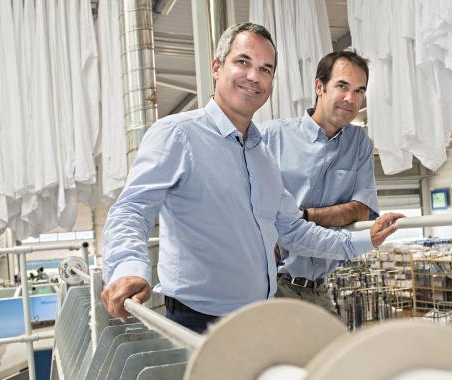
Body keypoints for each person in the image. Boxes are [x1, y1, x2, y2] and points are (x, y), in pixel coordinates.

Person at [100, 22, 404, 333]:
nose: (253, 76)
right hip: (197, 322)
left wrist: (365, 240)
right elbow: (132, 209)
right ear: (217, 67)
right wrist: (128, 267)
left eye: (265, 69)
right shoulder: (178, 134)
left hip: (256, 316)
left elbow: (293, 229)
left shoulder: (262, 157)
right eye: (243, 62)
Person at [259, 50, 377, 314]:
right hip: (272, 284)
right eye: (342, 86)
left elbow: (361, 209)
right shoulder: (271, 136)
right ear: (319, 86)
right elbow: (249, 203)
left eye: (359, 91)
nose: (351, 99)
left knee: (335, 354)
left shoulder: (358, 143)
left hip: (320, 287)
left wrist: (302, 216)